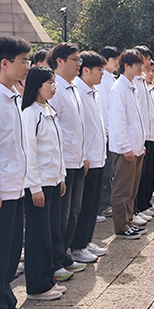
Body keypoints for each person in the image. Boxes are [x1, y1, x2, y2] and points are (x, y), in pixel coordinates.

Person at [0, 36, 39, 309]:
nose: (27, 66)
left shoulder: (11, 97)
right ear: (4, 64)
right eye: (23, 61)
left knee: (7, 257)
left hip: (14, 190)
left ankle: (6, 307)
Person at [22, 66, 67, 301]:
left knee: (50, 233)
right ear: (37, 85)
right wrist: (35, 187)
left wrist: (60, 177)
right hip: (38, 185)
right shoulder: (30, 113)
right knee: (38, 235)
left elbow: (56, 147)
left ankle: (47, 279)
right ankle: (37, 286)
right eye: (50, 83)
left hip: (52, 181)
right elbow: (29, 152)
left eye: (54, 83)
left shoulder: (49, 109)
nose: (54, 87)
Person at [48, 43, 89, 281]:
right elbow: (56, 132)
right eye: (75, 60)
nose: (79, 65)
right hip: (63, 164)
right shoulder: (55, 90)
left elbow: (77, 126)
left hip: (76, 159)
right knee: (61, 216)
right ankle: (55, 259)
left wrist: (83, 155)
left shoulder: (73, 88)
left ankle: (64, 255)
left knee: (73, 211)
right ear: (60, 61)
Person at [71, 51, 108, 262]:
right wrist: (84, 154)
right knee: (83, 205)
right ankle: (77, 246)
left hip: (97, 155)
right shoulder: (77, 91)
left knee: (92, 205)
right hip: (86, 158)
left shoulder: (92, 91)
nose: (102, 73)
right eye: (99, 69)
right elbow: (78, 128)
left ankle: (85, 241)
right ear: (86, 70)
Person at [108, 49, 146, 239]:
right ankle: (121, 226)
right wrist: (126, 147)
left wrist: (140, 145)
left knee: (132, 188)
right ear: (127, 66)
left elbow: (136, 119)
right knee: (122, 188)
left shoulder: (132, 86)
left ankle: (128, 221)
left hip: (136, 147)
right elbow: (119, 121)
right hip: (126, 150)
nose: (141, 67)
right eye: (137, 64)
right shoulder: (119, 88)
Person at [132, 45, 154, 224]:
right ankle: (136, 209)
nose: (148, 62)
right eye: (145, 58)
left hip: (149, 134)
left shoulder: (143, 81)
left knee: (148, 172)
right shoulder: (132, 81)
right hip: (140, 135)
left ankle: (144, 204)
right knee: (138, 177)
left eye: (149, 59)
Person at [97, 46, 120, 220]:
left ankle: (106, 202)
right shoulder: (103, 79)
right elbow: (104, 108)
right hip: (106, 132)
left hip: (111, 131)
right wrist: (107, 131)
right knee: (105, 172)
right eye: (115, 59)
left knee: (110, 171)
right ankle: (103, 204)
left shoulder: (110, 78)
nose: (117, 62)